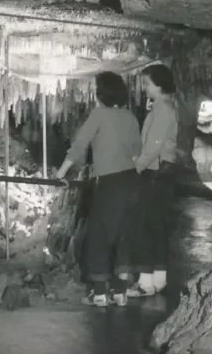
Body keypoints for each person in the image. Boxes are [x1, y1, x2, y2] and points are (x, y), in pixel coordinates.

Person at [56, 71, 142, 307]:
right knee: (124, 235)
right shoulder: (130, 117)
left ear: (101, 92)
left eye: (96, 89)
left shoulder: (99, 114)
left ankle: (100, 293)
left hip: (110, 182)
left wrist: (60, 174)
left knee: (99, 235)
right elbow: (137, 152)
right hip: (132, 181)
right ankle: (120, 292)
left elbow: (79, 146)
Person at [127, 63, 179, 297]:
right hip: (163, 173)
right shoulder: (166, 106)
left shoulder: (162, 110)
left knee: (144, 226)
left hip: (153, 172)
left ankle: (145, 282)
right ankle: (159, 278)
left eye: (147, 84)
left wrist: (135, 169)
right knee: (157, 225)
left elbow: (153, 145)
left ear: (158, 84)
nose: (144, 88)